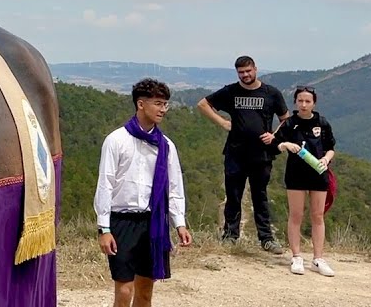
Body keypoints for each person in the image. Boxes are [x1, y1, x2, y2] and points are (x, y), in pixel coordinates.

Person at [94, 78, 192, 307]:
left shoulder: (166, 145)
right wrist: (104, 228)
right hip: (122, 221)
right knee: (124, 291)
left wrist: (180, 223)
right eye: (158, 103)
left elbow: (175, 186)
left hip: (152, 223)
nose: (163, 110)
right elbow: (105, 185)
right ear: (141, 104)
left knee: (145, 292)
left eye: (165, 104)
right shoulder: (116, 140)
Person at [197, 54, 289, 254]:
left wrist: (274, 136)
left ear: (255, 69)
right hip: (235, 152)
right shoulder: (231, 91)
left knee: (260, 196)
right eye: (241, 72)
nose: (245, 75)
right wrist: (222, 122)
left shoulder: (271, 93)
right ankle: (230, 236)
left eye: (248, 71)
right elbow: (203, 104)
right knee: (233, 196)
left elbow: (285, 118)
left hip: (262, 154)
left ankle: (266, 239)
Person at [272, 86, 337, 277]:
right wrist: (285, 145)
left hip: (318, 174)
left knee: (317, 216)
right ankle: (297, 256)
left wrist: (326, 159)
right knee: (296, 215)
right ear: (295, 102)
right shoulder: (289, 123)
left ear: (314, 103)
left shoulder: (322, 123)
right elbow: (275, 143)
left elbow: (331, 147)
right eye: (300, 101)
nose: (303, 104)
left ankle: (318, 258)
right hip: (295, 175)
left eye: (307, 101)